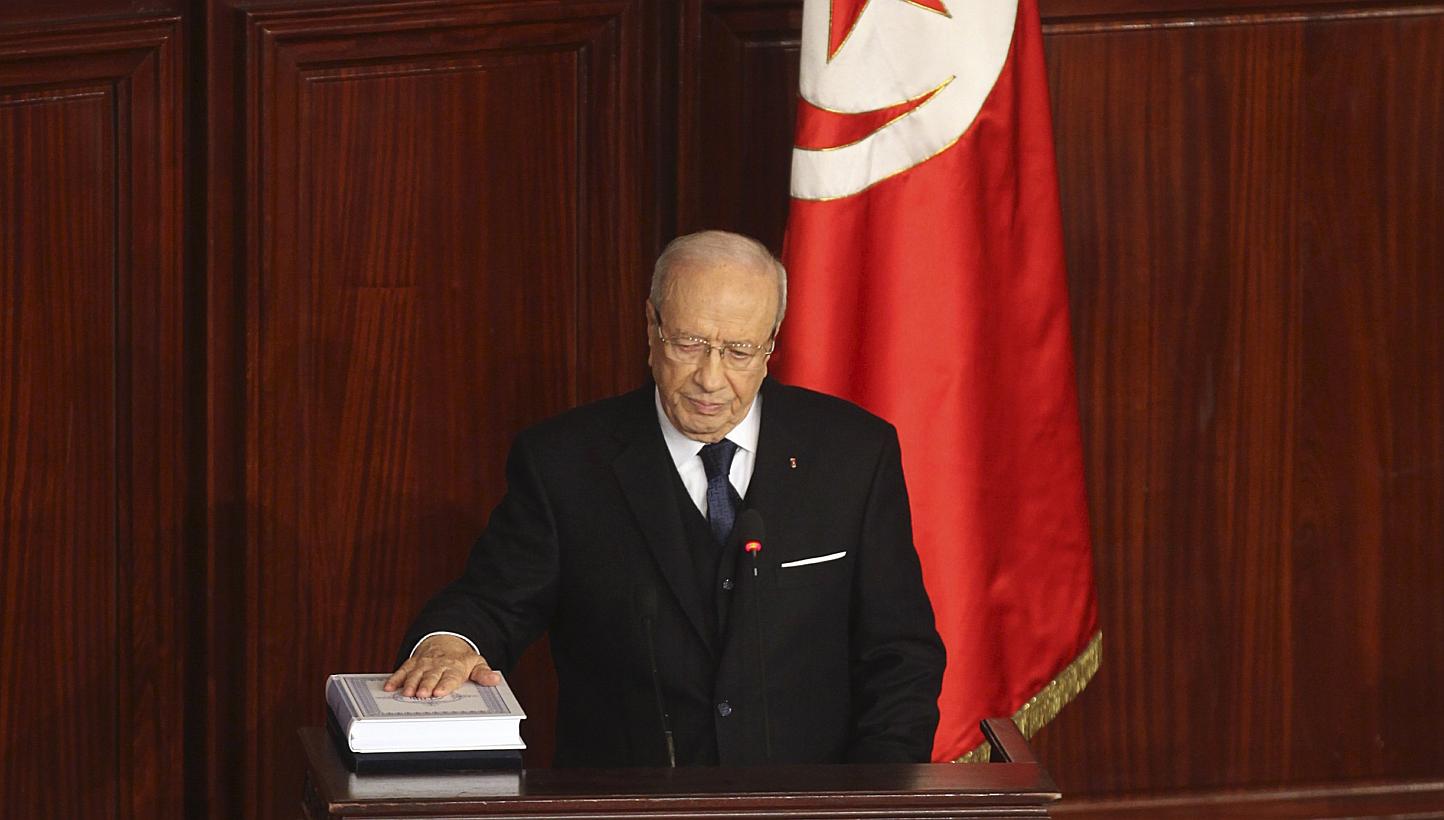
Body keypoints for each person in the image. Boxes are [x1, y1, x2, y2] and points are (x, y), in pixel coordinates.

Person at [386, 230, 945, 766]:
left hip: (811, 808)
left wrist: (875, 800)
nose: (710, 377)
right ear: (650, 327)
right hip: (626, 808)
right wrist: (448, 645)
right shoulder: (565, 462)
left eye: (739, 351)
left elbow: (899, 656)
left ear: (772, 345)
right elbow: (492, 601)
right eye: (689, 344)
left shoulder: (853, 454)